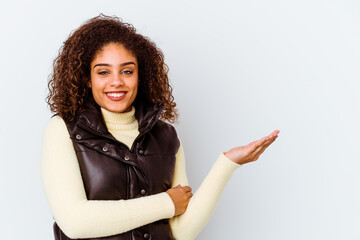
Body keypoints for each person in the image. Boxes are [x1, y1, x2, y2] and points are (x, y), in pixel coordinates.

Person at [41, 14, 279, 240]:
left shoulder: (165, 136)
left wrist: (227, 163)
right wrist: (166, 204)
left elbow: (181, 232)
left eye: (127, 71)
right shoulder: (63, 130)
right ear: (87, 78)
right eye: (103, 72)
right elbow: (74, 222)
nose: (116, 81)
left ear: (140, 76)